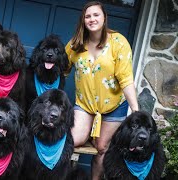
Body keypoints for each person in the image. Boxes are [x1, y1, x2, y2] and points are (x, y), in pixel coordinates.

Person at [64, 1, 139, 179]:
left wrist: (135, 109)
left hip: (113, 106)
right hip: (85, 105)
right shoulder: (75, 44)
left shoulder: (118, 42)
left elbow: (126, 79)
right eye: (87, 16)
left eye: (96, 15)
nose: (92, 19)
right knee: (73, 140)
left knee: (102, 147)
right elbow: (61, 70)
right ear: (83, 20)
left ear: (104, 17)